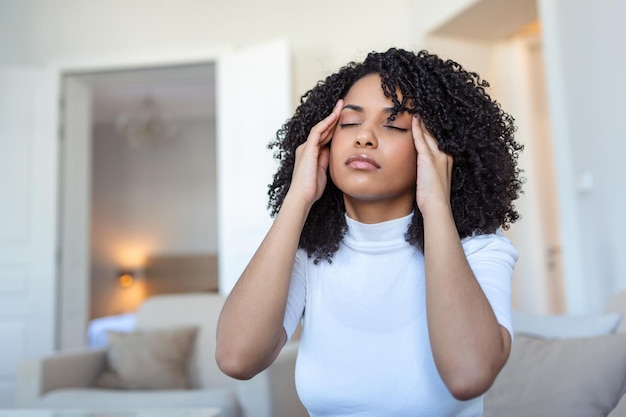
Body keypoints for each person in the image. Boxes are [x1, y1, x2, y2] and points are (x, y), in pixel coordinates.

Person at [216, 48, 523, 416]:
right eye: (348, 122)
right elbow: (236, 359)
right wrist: (297, 199)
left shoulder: (480, 251)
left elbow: (468, 375)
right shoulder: (310, 254)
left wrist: (436, 204)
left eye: (393, 124)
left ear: (436, 147)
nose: (364, 137)